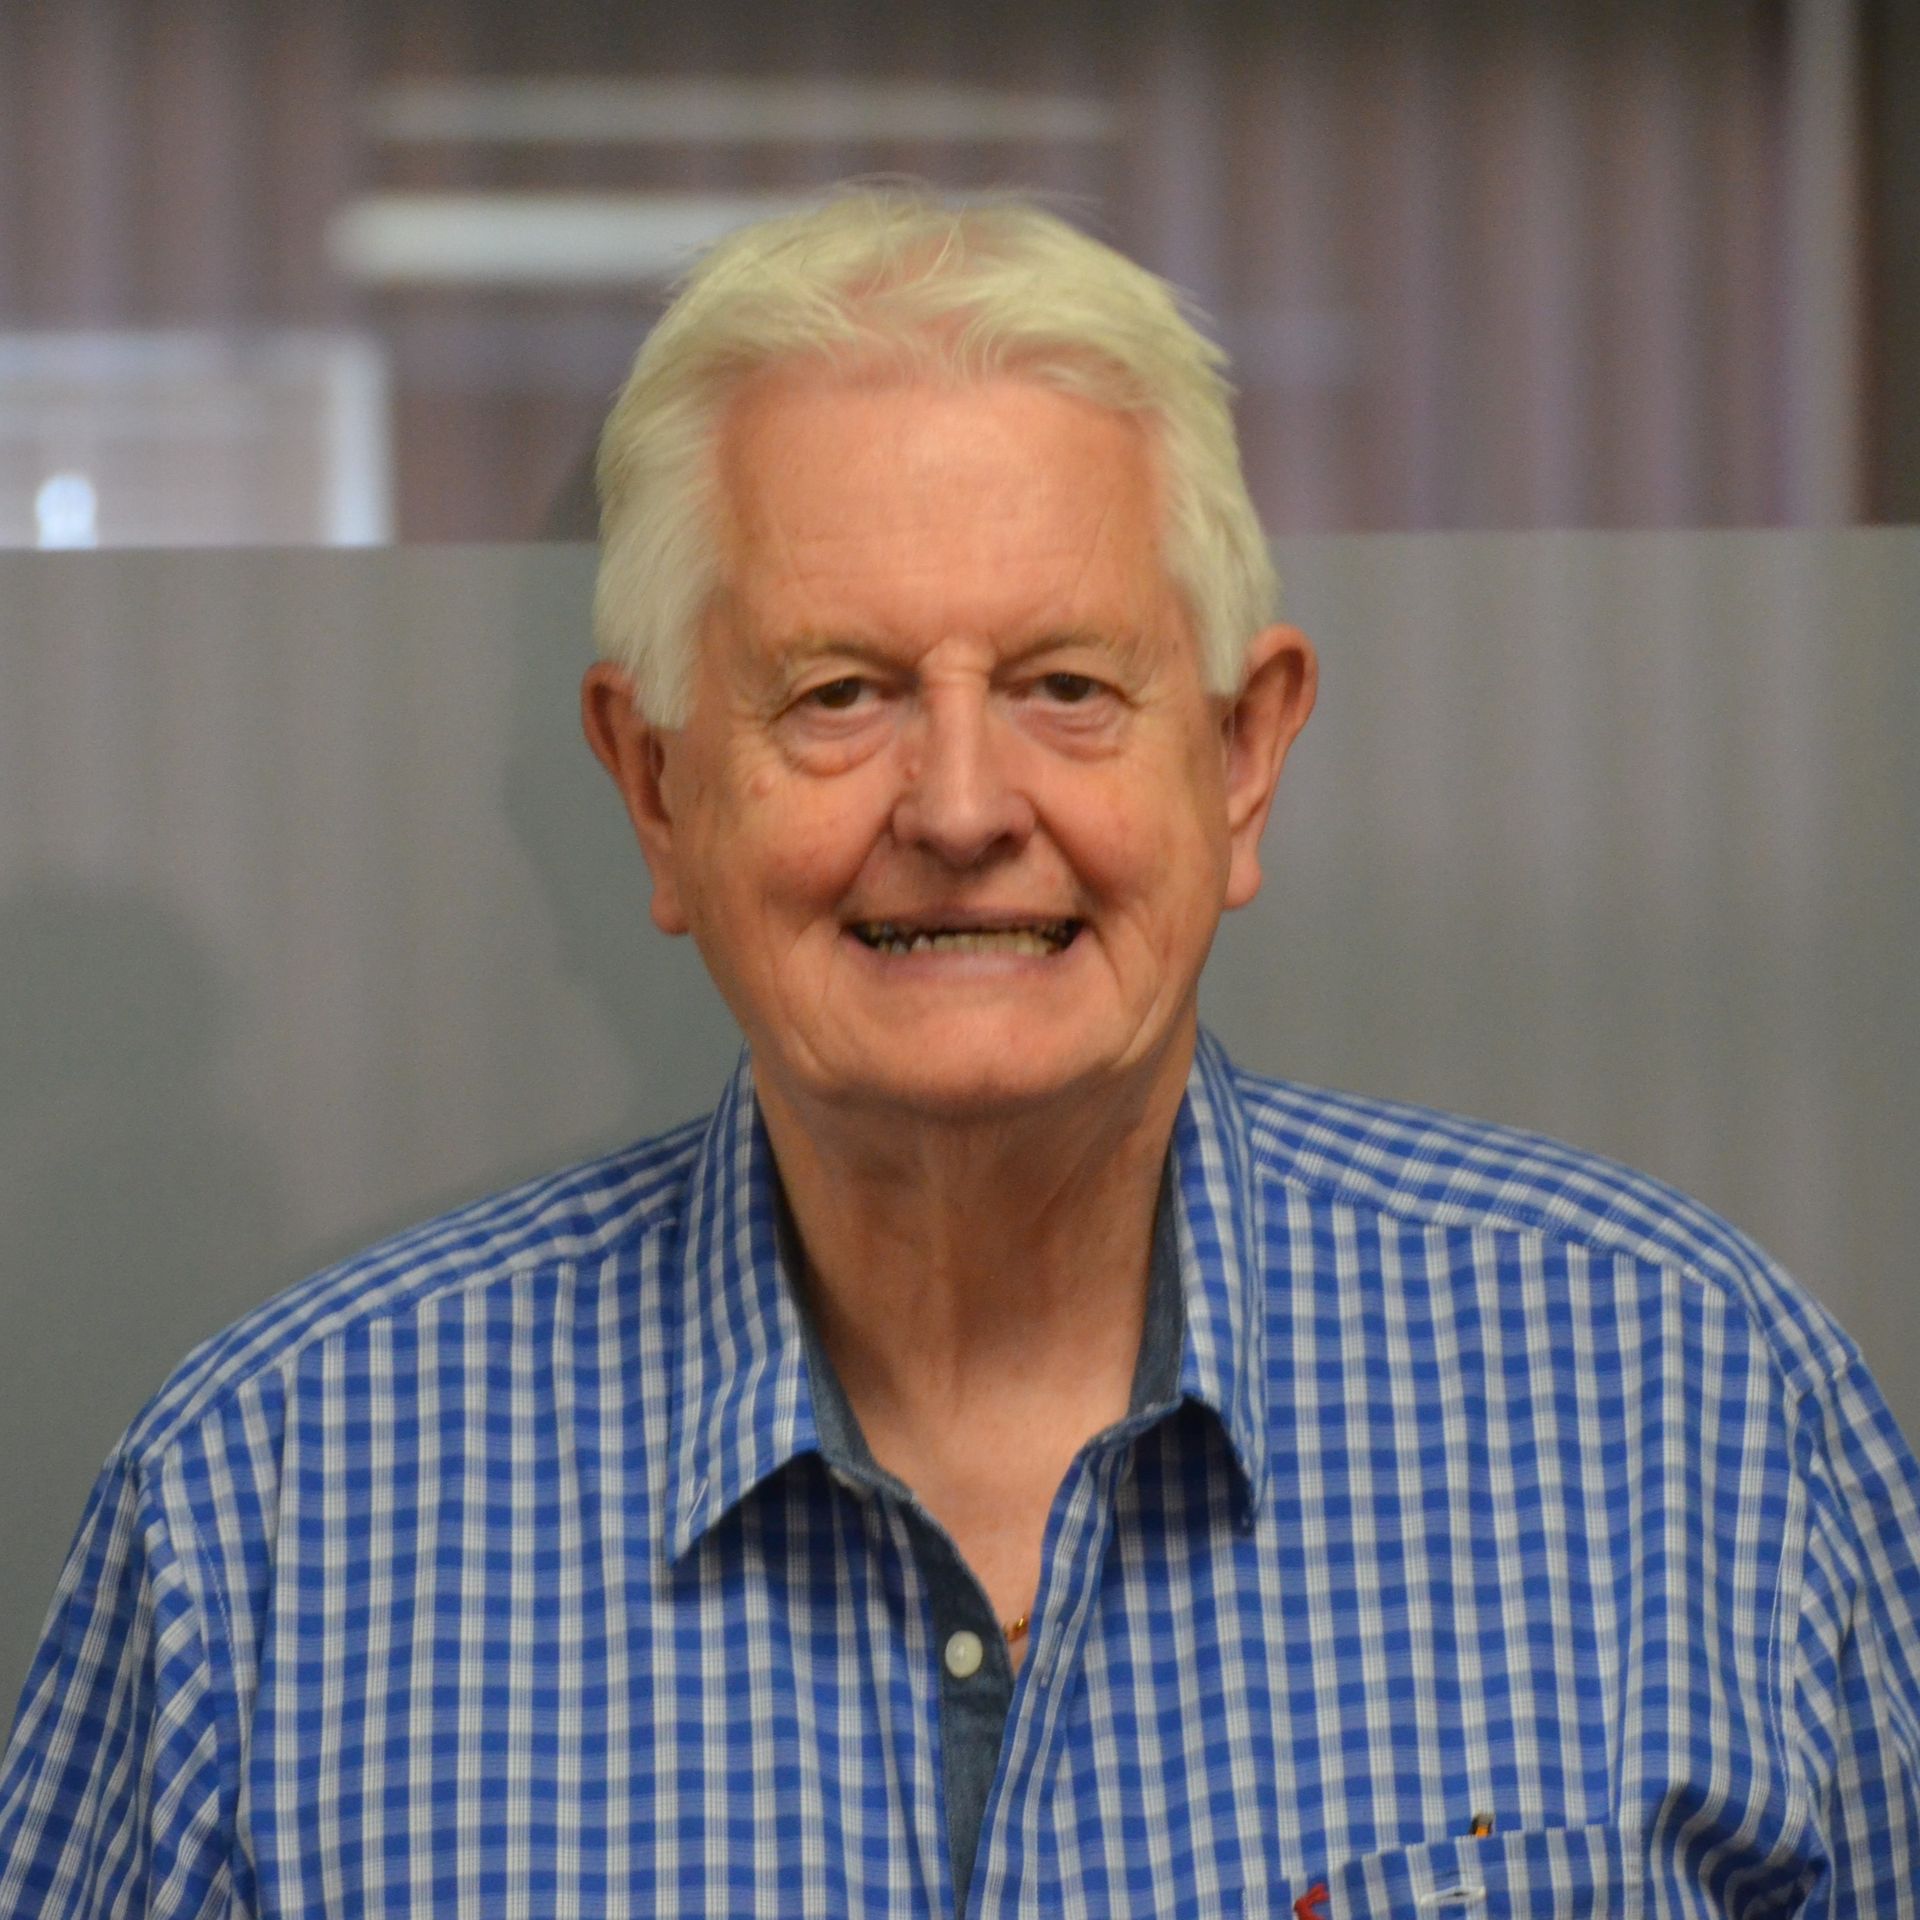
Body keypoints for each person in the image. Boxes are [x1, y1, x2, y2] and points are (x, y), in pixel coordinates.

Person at [4, 190, 1918, 1919]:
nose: (962, 802)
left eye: (1066, 688)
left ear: (1244, 760)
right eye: (839, 697)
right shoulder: (268, 1524)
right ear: (656, 790)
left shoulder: (1697, 1418)